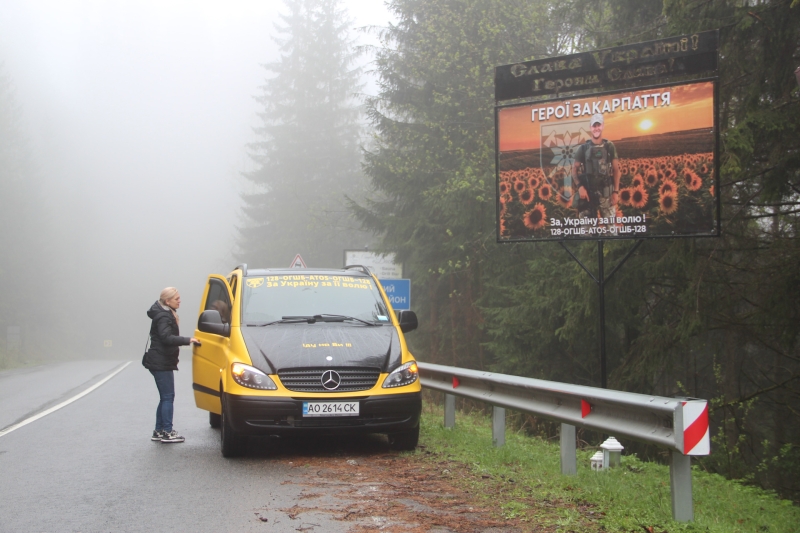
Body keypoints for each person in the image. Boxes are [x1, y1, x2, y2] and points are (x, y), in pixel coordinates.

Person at [142, 287, 199, 443]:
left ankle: (159, 431)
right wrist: (188, 340)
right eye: (176, 298)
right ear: (167, 301)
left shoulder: (163, 313)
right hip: (161, 361)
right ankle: (167, 431)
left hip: (160, 360)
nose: (179, 301)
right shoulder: (164, 316)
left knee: (164, 397)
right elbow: (166, 337)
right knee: (168, 397)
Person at [571, 113, 621, 224]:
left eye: (598, 125)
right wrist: (580, 187)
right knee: (587, 232)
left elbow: (616, 170)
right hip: (588, 196)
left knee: (611, 230)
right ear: (590, 128)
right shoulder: (583, 148)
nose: (596, 128)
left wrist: (616, 192)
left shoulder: (609, 146)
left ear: (602, 126)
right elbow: (574, 170)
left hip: (606, 195)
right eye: (594, 126)